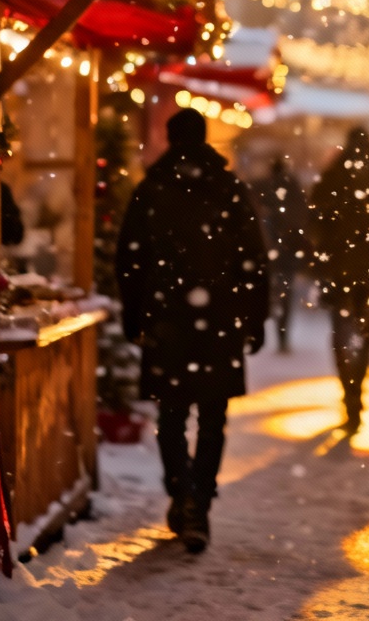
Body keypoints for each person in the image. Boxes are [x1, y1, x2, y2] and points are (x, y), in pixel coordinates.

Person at [115, 107, 269, 554]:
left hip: (169, 321)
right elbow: (254, 261)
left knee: (171, 415)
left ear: (169, 138)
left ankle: (181, 491)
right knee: (213, 418)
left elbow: (130, 261)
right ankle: (198, 500)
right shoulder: (229, 189)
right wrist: (253, 318)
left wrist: (135, 314)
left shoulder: (152, 190)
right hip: (218, 321)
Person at [309, 125, 369, 434]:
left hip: (339, 271)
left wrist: (322, 256)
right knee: (364, 333)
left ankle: (348, 389)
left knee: (341, 331)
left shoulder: (333, 177)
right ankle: (356, 388)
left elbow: (315, 222)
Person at [252, 156, 312, 353]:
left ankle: (276, 329)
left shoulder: (263, 188)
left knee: (273, 292)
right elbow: (303, 218)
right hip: (288, 251)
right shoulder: (293, 189)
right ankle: (282, 335)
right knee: (285, 293)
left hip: (268, 251)